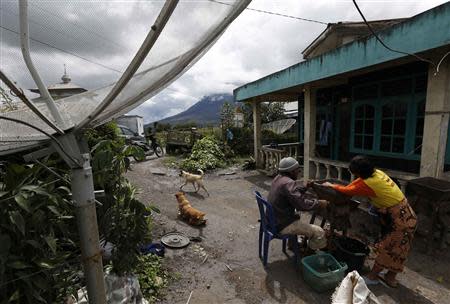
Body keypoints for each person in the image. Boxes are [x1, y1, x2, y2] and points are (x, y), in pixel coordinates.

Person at [322, 155, 417, 287]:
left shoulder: (368, 183)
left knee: (388, 247)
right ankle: (390, 278)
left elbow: (347, 191)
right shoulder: (377, 173)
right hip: (407, 214)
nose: (354, 175)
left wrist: (331, 185)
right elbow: (356, 182)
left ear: (360, 172)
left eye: (354, 173)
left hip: (400, 220)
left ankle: (373, 277)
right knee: (400, 248)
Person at [268, 157, 329, 251]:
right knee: (319, 232)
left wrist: (305, 187)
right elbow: (302, 205)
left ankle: (292, 243)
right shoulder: (289, 183)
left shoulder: (278, 178)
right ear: (292, 171)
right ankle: (310, 251)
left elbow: (292, 194)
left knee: (297, 215)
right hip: (282, 225)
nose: (299, 172)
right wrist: (319, 203)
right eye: (298, 170)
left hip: (272, 220)